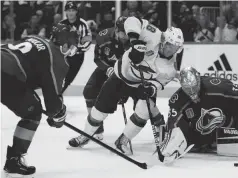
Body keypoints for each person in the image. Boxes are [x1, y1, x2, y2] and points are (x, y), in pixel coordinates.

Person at [68, 16, 184, 155]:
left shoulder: (171, 68)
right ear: (164, 40)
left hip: (140, 84)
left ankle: (123, 140)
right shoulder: (154, 34)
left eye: (177, 47)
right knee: (100, 110)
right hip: (119, 76)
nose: (173, 50)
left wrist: (151, 88)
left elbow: (159, 82)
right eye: (171, 45)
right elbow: (132, 20)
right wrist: (135, 42)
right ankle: (86, 135)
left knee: (145, 111)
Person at [1, 23, 79, 176]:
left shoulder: (36, 38)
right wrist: (58, 116)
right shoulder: (57, 57)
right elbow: (53, 103)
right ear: (65, 44)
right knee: (33, 112)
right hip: (5, 75)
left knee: (32, 102)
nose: (73, 47)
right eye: (72, 43)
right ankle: (14, 160)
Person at [68, 16, 130, 147]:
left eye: (128, 32)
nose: (125, 36)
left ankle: (129, 135)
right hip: (107, 68)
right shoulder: (104, 36)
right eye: (123, 32)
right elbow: (97, 58)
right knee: (89, 91)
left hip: (126, 73)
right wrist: (107, 69)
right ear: (116, 29)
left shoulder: (134, 39)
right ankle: (96, 128)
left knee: (134, 100)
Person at [59, 1, 92, 94]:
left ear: (76, 12)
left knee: (68, 79)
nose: (70, 13)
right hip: (63, 56)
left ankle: (58, 95)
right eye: (68, 10)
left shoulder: (83, 24)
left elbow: (88, 41)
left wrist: (77, 48)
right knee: (58, 77)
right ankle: (56, 96)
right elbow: (54, 40)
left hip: (77, 57)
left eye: (73, 10)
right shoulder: (61, 23)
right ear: (65, 11)